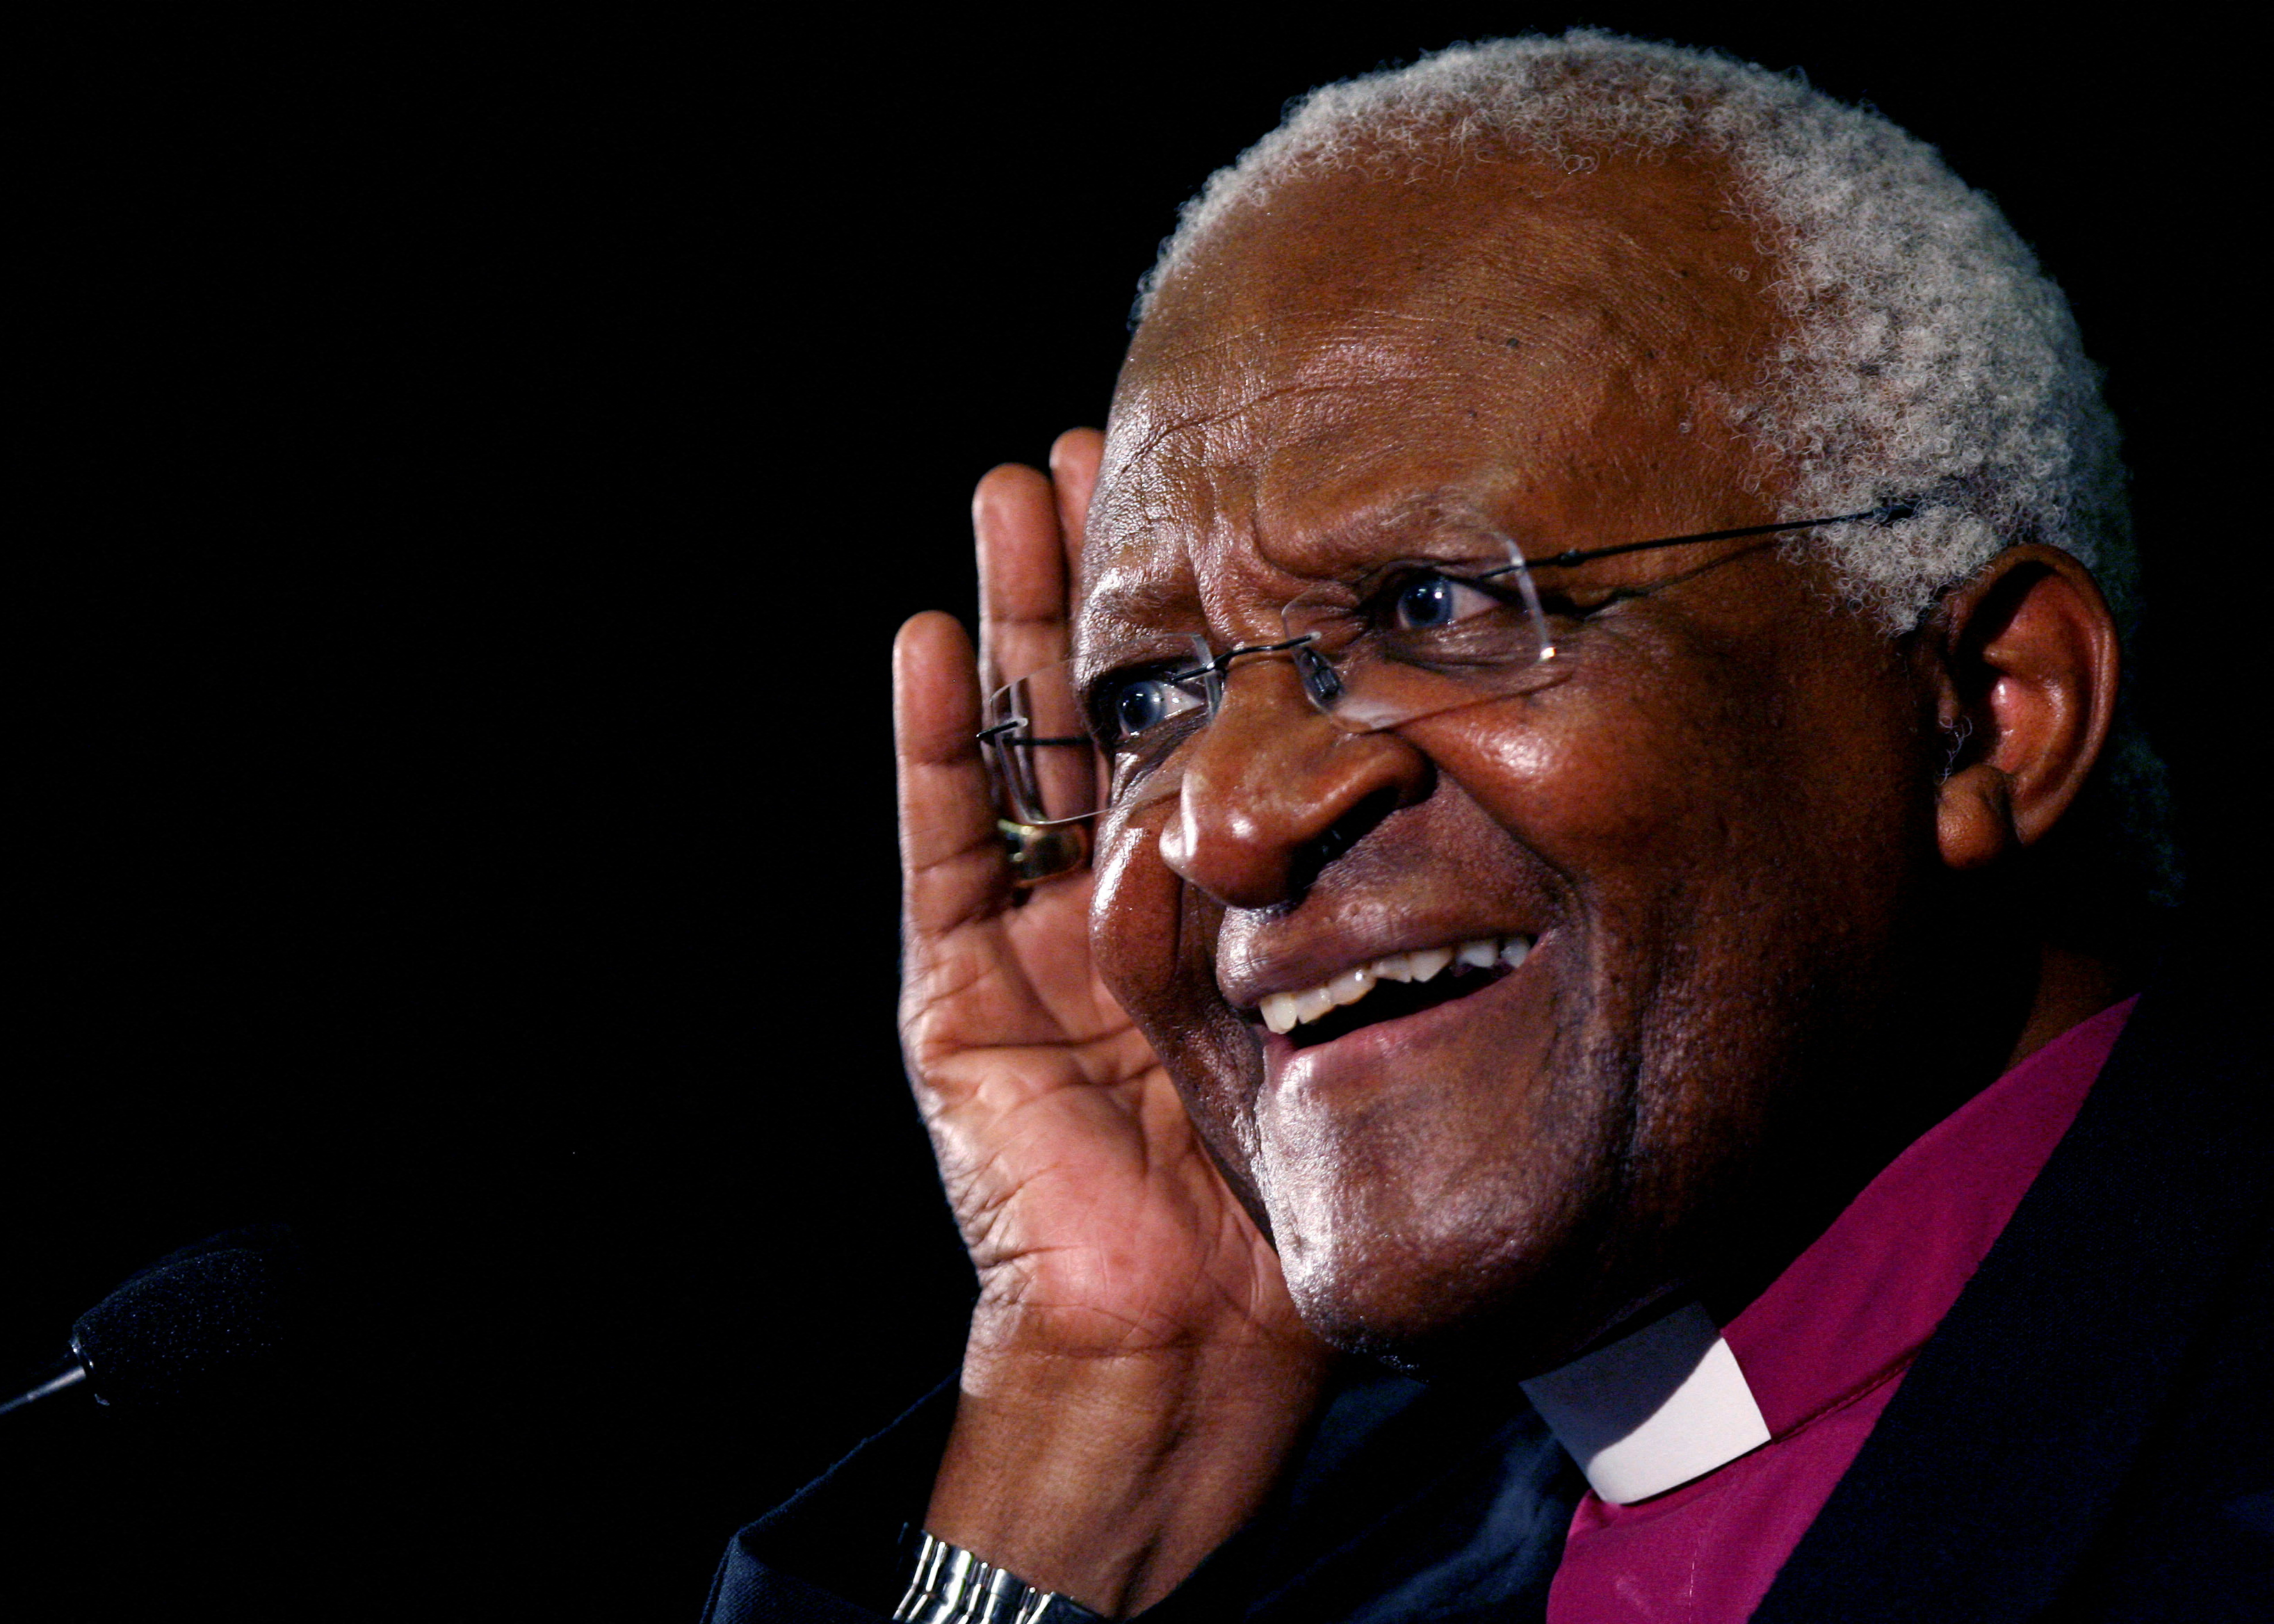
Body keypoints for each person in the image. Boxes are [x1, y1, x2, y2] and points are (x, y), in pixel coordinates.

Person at [709, 33, 2266, 1622]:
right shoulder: (1355, 1543)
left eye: (1431, 606)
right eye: (1153, 700)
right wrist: (1105, 1400)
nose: (1227, 826)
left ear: (1990, 707)